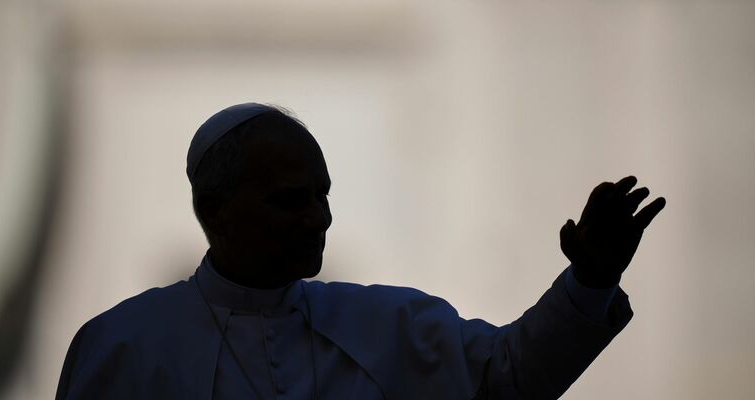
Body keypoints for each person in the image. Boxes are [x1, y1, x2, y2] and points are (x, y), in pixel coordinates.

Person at [55, 102, 666, 400]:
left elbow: (507, 379)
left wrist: (590, 279)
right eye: (290, 200)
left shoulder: (390, 325)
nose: (319, 218)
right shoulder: (122, 347)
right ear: (215, 210)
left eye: (323, 195)